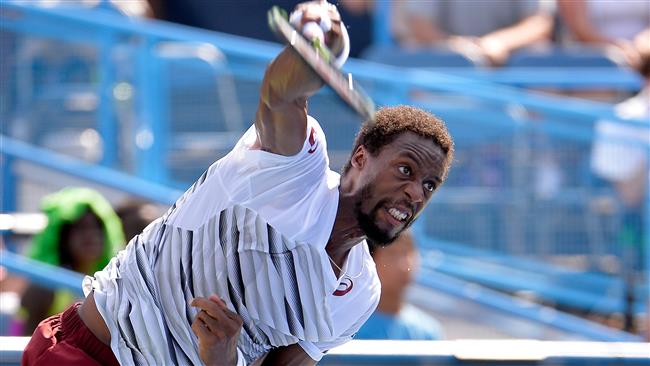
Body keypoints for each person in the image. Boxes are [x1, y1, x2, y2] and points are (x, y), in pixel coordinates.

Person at [22, 1, 454, 365]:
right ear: (359, 159)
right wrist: (314, 53)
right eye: (405, 170)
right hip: (94, 352)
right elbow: (282, 95)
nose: (415, 192)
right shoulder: (292, 169)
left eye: (429, 186)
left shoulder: (358, 294)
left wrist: (225, 360)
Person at [15, 187, 124, 336]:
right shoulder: (43, 288)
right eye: (80, 228)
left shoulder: (112, 284)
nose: (91, 235)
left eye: (98, 227)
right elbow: (31, 352)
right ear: (62, 237)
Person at [392, 0, 553, 66]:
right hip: (447, 75)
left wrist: (499, 42)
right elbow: (419, 23)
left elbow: (540, 21)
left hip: (512, 76)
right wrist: (460, 47)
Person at [355, 230, 443, 340]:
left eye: (408, 252)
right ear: (369, 260)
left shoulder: (428, 333)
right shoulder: (347, 329)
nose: (404, 265)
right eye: (392, 253)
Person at [557, 0, 650, 69]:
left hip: (644, 55)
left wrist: (643, 44)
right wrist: (620, 47)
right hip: (594, 59)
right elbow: (579, 29)